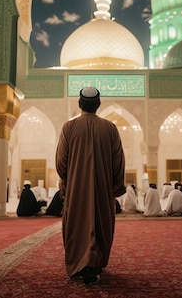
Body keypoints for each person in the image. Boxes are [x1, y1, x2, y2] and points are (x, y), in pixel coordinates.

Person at [55, 87, 126, 286]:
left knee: (77, 223)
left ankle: (80, 264)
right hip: (102, 189)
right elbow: (118, 161)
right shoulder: (110, 128)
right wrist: (114, 187)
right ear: (98, 104)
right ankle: (94, 266)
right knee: (100, 222)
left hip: (76, 189)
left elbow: (61, 162)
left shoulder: (69, 127)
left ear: (80, 104)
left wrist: (66, 179)